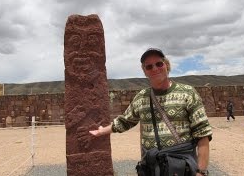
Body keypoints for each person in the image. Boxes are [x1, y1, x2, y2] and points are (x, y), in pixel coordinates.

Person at [89, 48, 213, 176]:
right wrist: (101, 131)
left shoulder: (188, 93)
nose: (154, 69)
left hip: (180, 166)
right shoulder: (141, 97)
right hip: (152, 166)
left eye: (159, 64)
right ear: (145, 72)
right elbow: (125, 121)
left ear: (167, 65)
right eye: (149, 66)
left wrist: (201, 172)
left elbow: (202, 134)